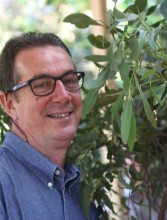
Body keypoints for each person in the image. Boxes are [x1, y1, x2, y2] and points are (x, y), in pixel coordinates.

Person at [0, 32, 98, 219]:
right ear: (9, 104)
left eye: (69, 80)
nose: (63, 96)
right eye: (42, 85)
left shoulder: (81, 188)